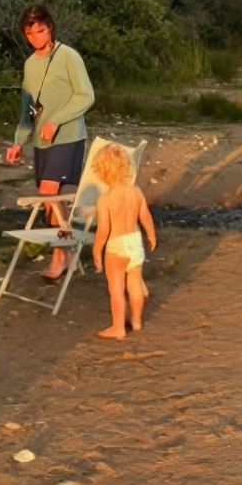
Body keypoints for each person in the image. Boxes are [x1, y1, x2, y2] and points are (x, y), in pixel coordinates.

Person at [6, 5, 94, 279]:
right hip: (41, 142)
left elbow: (86, 96)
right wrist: (18, 142)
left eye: (40, 30)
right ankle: (66, 253)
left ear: (50, 28)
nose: (35, 37)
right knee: (51, 201)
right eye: (29, 33)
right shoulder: (30, 63)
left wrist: (56, 121)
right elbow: (27, 108)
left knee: (48, 193)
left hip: (67, 136)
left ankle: (59, 257)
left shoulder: (68, 56)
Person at [92, 143, 156, 339]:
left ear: (102, 173)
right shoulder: (136, 191)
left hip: (116, 246)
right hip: (135, 242)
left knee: (117, 290)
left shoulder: (106, 199)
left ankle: (118, 327)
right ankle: (136, 321)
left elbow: (103, 230)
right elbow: (145, 216)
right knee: (135, 284)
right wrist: (151, 236)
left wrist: (97, 250)